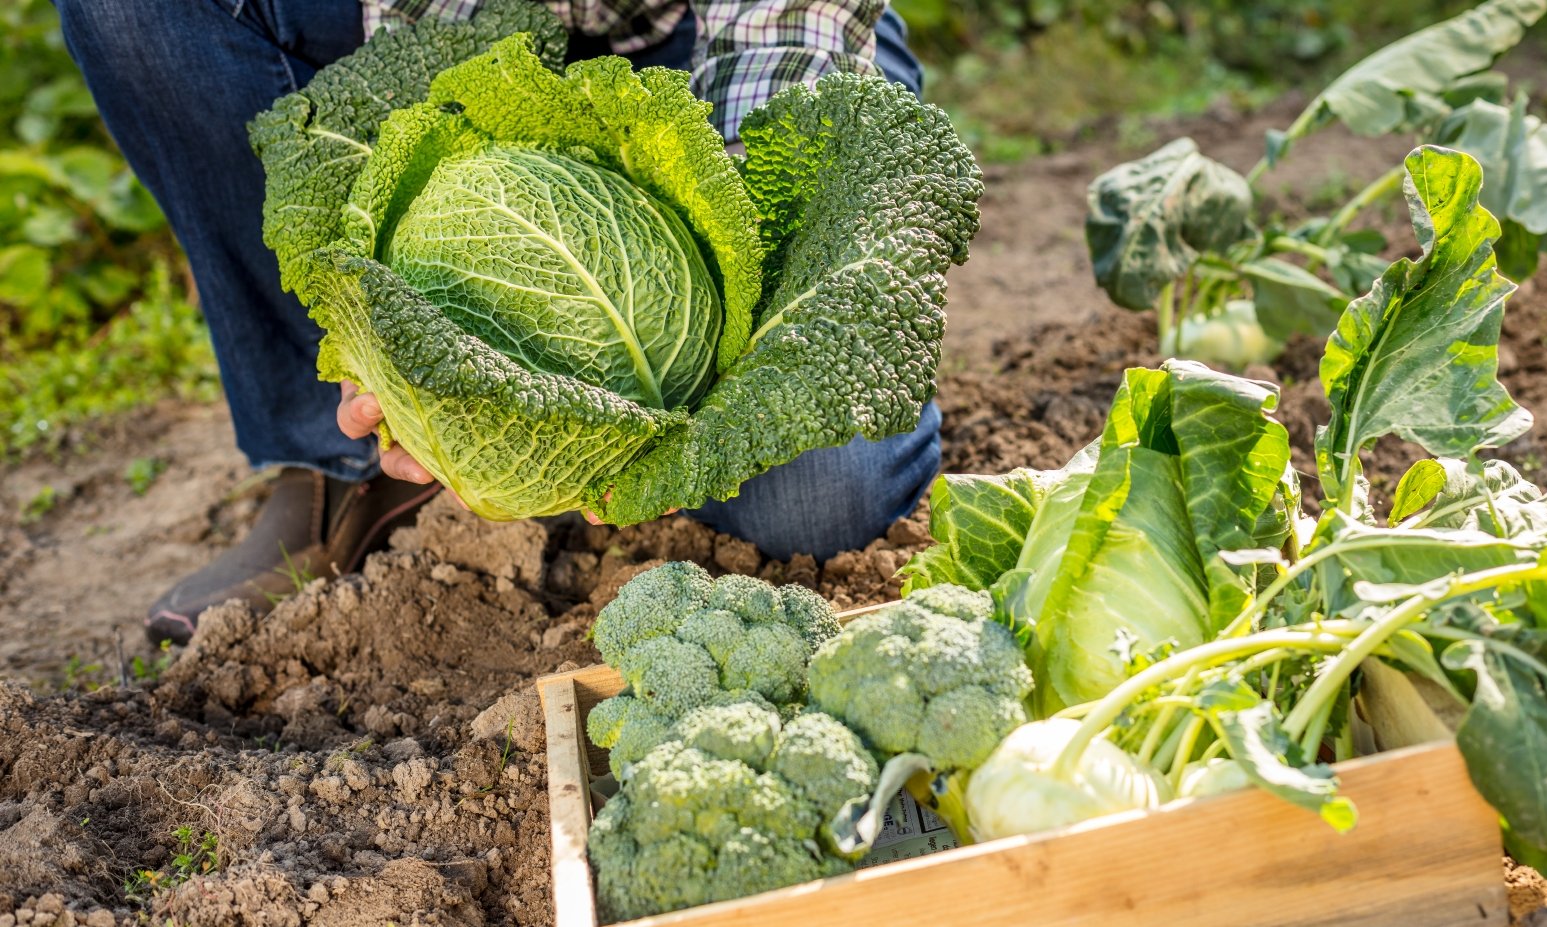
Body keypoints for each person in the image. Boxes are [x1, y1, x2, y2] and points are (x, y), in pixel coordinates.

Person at [56, 0, 942, 647]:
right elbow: (433, 60)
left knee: (824, 507)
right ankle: (333, 457)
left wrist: (716, 373)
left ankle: (631, 475)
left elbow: (790, 30)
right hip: (442, 27)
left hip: (727, 47)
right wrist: (378, 341)